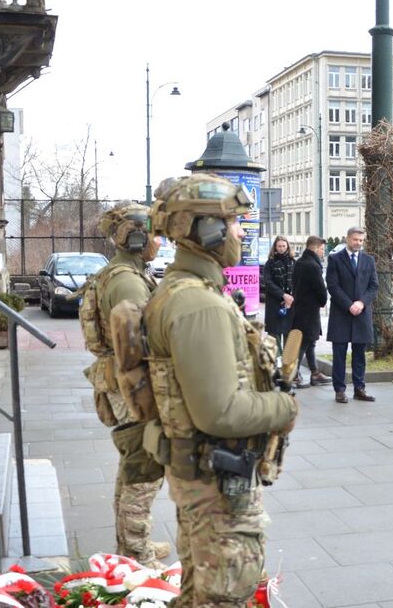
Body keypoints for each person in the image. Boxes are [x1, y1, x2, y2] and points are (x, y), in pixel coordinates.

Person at [144, 174, 299, 606]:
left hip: (202, 477)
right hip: (216, 485)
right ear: (204, 230)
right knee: (223, 596)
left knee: (199, 594)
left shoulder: (189, 292)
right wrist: (283, 406)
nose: (239, 232)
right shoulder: (198, 304)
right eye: (233, 223)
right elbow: (220, 412)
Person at [79, 202, 169, 568]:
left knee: (134, 466)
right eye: (154, 235)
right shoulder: (128, 281)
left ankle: (130, 544)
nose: (159, 243)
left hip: (124, 382)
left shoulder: (124, 273)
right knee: (144, 470)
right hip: (134, 387)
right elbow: (139, 346)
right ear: (135, 237)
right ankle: (137, 556)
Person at [326, 226, 379, 403]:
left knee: (359, 355)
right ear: (348, 239)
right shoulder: (335, 259)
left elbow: (373, 286)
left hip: (361, 314)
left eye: (361, 240)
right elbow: (333, 286)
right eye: (355, 239)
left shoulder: (368, 260)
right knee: (339, 354)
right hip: (341, 313)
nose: (358, 243)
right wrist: (349, 305)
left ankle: (359, 388)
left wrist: (361, 302)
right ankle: (339, 390)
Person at [290, 235, 330, 387]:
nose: (323, 252)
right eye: (322, 249)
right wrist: (323, 301)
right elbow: (320, 288)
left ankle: (315, 372)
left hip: (301, 307)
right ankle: (293, 375)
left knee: (309, 341)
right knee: (304, 342)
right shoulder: (312, 265)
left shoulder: (300, 262)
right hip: (309, 309)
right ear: (314, 247)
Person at [262, 236, 295, 351]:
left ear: (287, 247)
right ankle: (276, 364)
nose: (281, 248)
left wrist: (290, 297)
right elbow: (268, 282)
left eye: (284, 246)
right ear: (275, 247)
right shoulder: (270, 263)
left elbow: (298, 282)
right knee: (274, 337)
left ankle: (287, 366)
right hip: (274, 304)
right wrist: (283, 295)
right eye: (279, 246)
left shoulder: (293, 262)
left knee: (289, 336)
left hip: (290, 304)